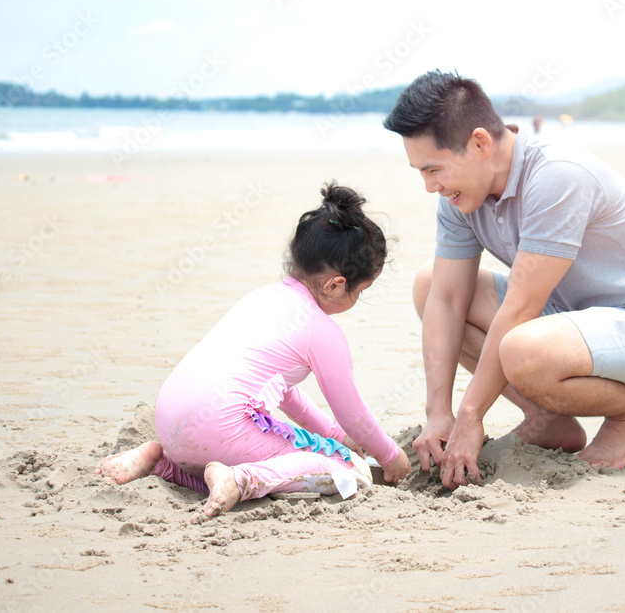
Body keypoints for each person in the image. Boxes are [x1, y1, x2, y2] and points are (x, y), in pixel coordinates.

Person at [382, 70, 625, 490]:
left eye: (434, 169)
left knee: (521, 348)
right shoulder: (460, 196)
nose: (429, 186)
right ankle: (548, 420)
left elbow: (520, 308)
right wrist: (438, 412)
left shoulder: (555, 174)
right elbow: (446, 299)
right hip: (572, 318)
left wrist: (470, 416)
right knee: (430, 285)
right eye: (420, 172)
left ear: (479, 143)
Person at [96, 182, 411, 522]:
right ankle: (241, 480)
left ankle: (163, 464)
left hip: (170, 421)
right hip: (220, 427)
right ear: (335, 284)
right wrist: (391, 457)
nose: (357, 299)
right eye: (360, 291)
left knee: (273, 443)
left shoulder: (259, 298)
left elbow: (287, 395)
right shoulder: (322, 330)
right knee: (351, 470)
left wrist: (334, 436)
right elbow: (354, 415)